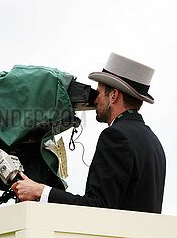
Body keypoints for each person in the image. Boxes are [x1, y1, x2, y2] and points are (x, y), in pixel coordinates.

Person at [11, 53, 166, 213]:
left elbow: (97, 206)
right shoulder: (153, 141)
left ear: (114, 95)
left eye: (99, 92)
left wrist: (40, 191)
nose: (95, 100)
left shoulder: (116, 136)